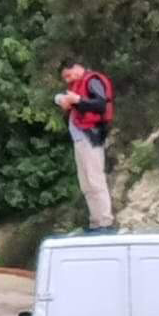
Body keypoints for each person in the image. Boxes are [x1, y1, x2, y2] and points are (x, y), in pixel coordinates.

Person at [55, 57, 115, 233]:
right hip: (79, 139)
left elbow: (100, 104)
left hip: (91, 136)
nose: (67, 80)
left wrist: (78, 101)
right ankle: (95, 222)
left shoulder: (92, 81)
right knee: (86, 184)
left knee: (95, 180)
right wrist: (65, 100)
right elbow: (62, 99)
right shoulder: (77, 86)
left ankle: (105, 221)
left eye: (68, 75)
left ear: (77, 68)